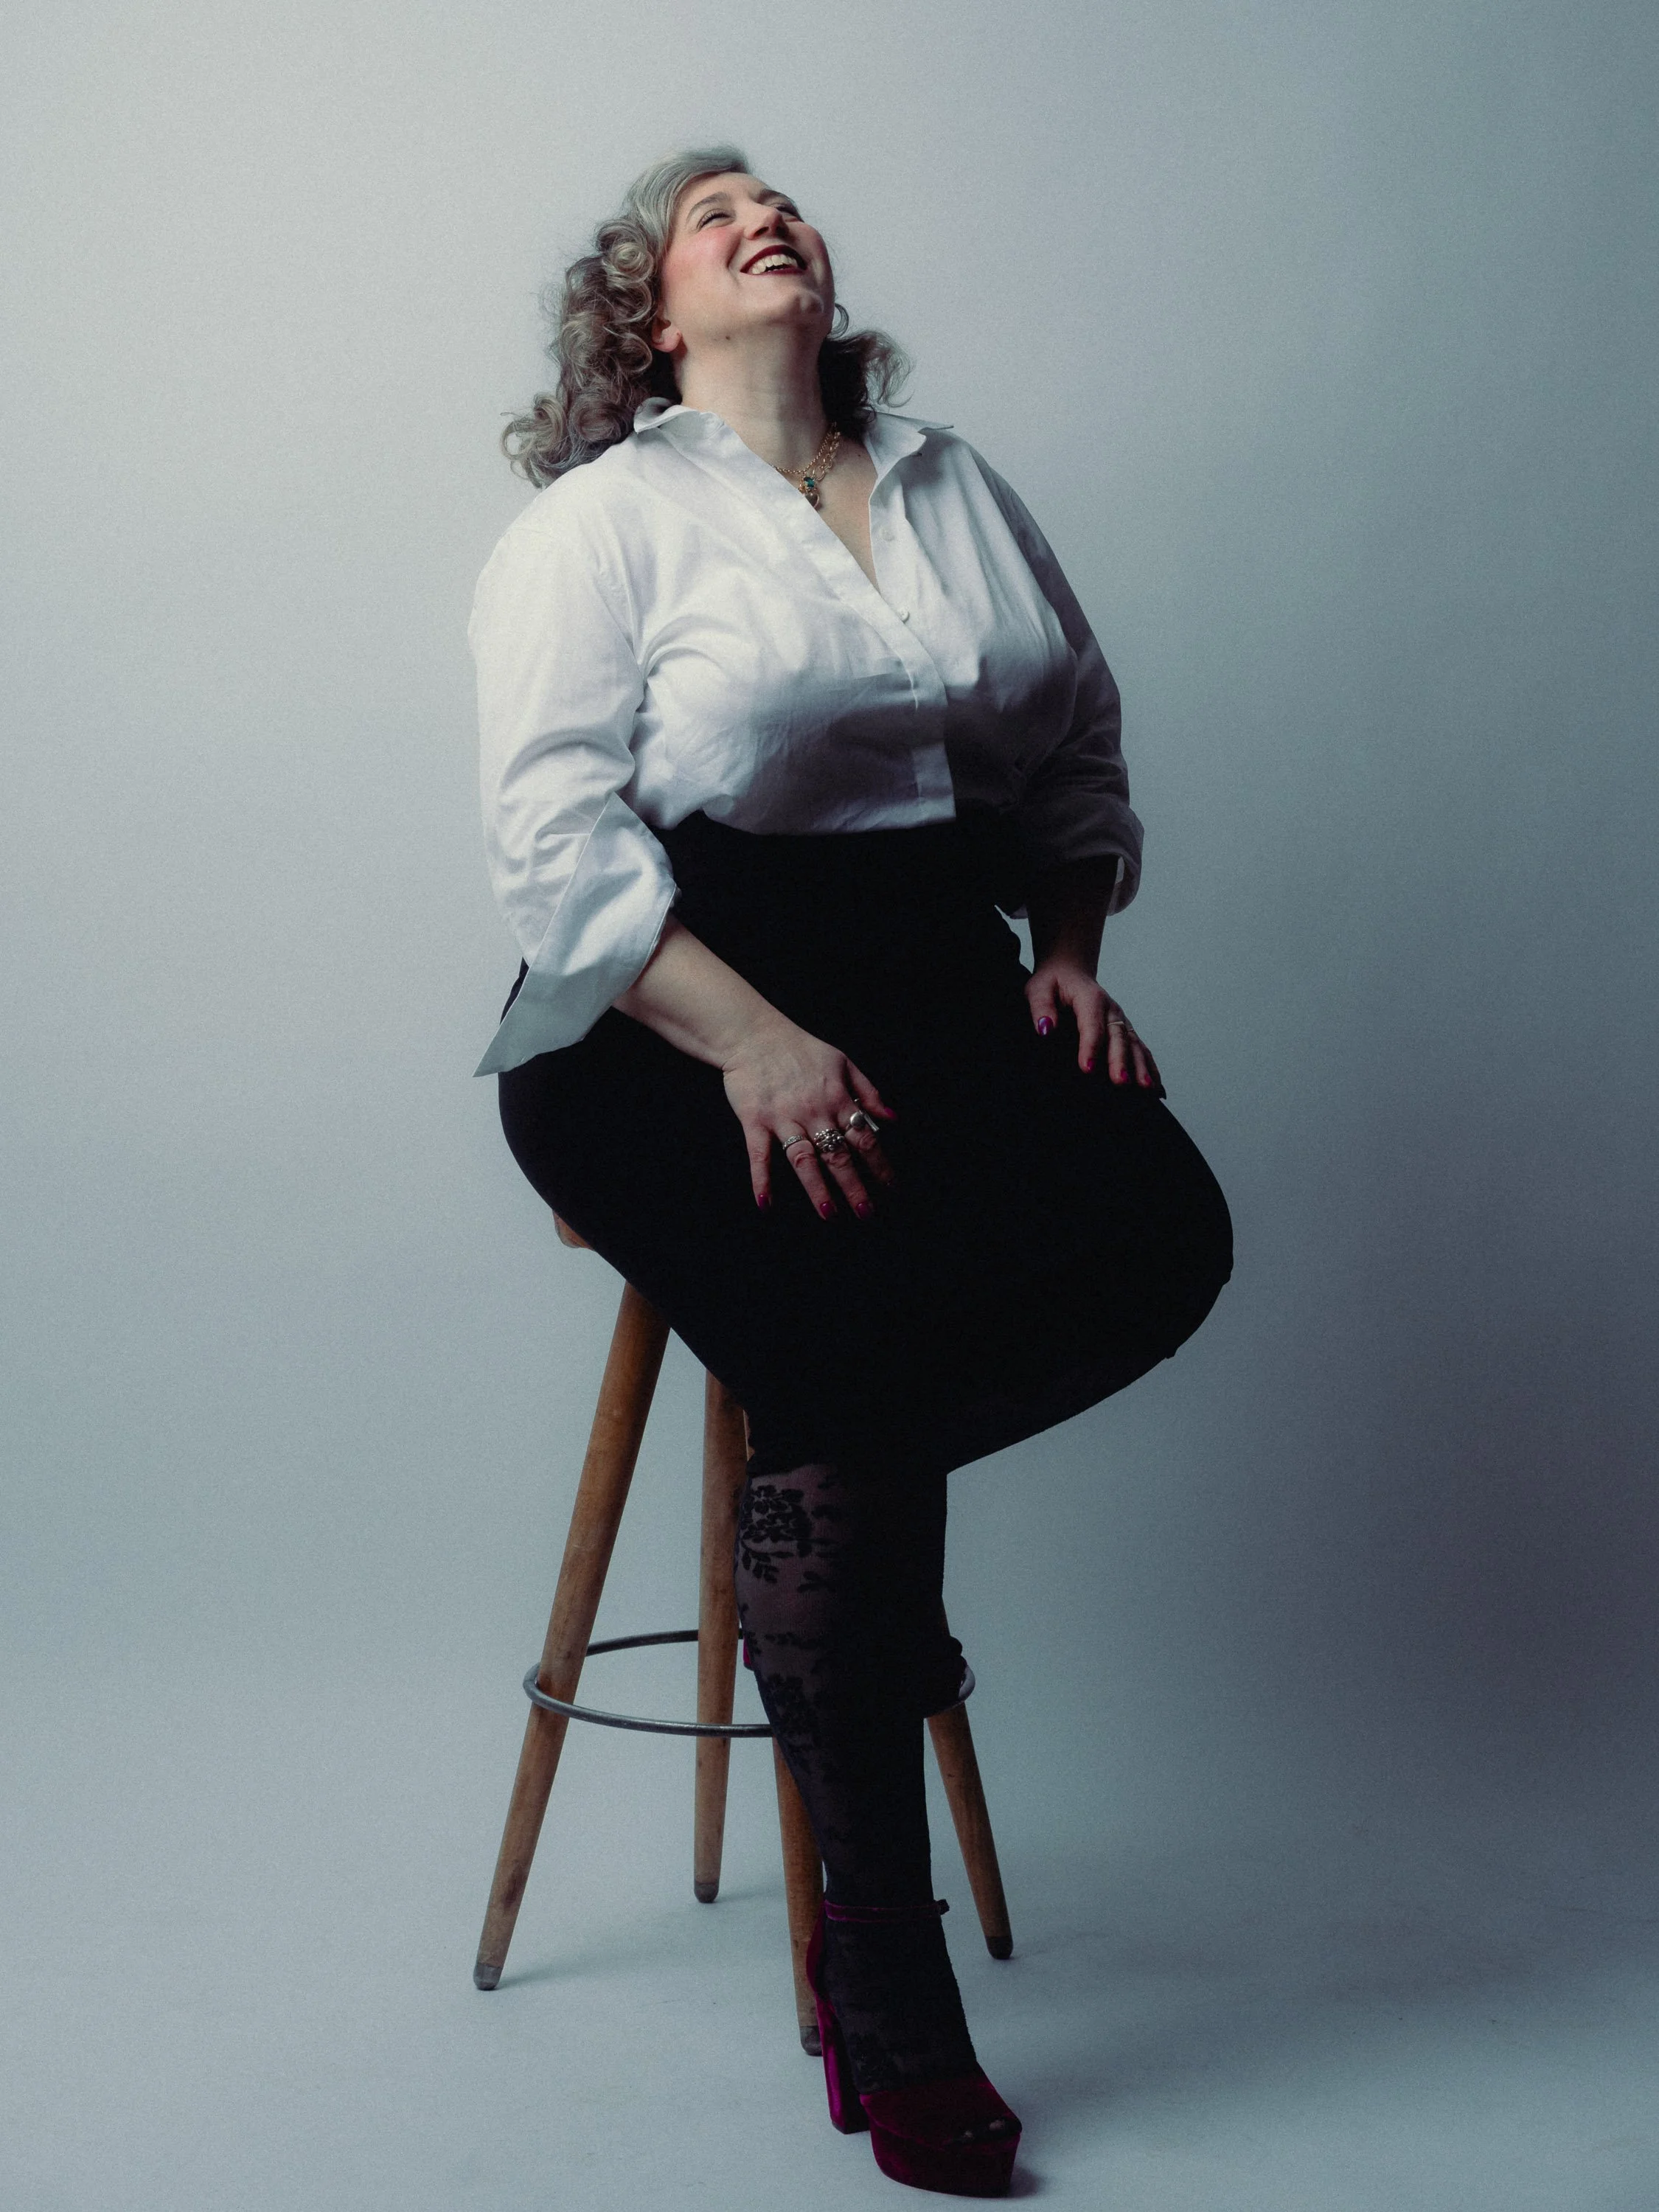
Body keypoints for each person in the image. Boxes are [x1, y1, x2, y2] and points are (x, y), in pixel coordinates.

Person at [470, 145, 1232, 2198]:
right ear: (655, 315)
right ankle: (881, 1976)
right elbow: (553, 840)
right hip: (661, 1005)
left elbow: (1074, 745)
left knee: (1161, 1228)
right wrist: (751, 1042)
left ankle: (840, 1562)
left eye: (783, 202)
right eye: (716, 218)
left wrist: (1068, 956)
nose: (766, 219)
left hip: (928, 975)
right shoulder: (604, 519)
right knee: (851, 1329)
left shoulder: (954, 481)